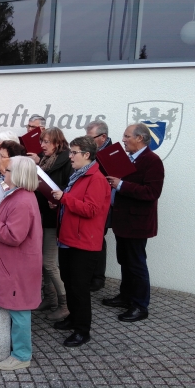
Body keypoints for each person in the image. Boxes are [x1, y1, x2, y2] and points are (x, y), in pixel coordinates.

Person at [0, 156, 43, 370]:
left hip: (17, 266)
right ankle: (18, 351)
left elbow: (14, 235)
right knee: (17, 308)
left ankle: (21, 355)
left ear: (19, 174)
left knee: (20, 309)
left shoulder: (22, 199)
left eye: (8, 170)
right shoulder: (19, 195)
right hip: (14, 264)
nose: (4, 172)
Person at [50, 135, 110, 347]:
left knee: (79, 288)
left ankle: (82, 330)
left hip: (84, 242)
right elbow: (75, 203)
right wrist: (59, 204)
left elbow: (91, 210)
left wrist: (64, 199)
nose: (70, 156)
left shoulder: (97, 179)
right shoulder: (78, 175)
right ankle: (73, 319)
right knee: (69, 281)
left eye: (74, 152)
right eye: (70, 152)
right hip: (69, 239)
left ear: (86, 155)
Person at [103, 123, 165, 322]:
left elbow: (152, 193)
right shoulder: (127, 159)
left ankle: (140, 305)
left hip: (137, 224)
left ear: (140, 138)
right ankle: (126, 296)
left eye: (127, 136)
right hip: (123, 221)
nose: (123, 139)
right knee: (125, 261)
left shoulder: (152, 161)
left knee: (136, 264)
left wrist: (121, 185)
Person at [34, 127, 73, 323]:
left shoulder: (67, 160)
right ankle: (49, 298)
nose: (42, 145)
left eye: (46, 142)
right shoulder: (44, 159)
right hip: (42, 214)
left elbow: (70, 187)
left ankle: (64, 305)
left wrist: (59, 198)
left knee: (48, 262)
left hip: (54, 217)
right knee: (42, 262)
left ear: (57, 142)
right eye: (41, 141)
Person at [85, 119, 113, 291]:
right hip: (89, 201)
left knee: (98, 240)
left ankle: (98, 277)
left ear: (103, 137)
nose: (88, 142)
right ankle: (90, 274)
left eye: (91, 138)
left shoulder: (112, 153)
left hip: (104, 204)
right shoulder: (92, 150)